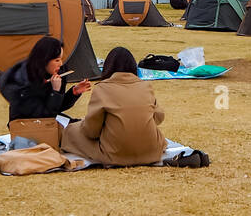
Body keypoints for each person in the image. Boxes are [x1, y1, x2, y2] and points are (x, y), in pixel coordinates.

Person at [61, 47, 205, 167]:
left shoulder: (103, 89)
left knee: (71, 132)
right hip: (151, 150)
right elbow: (159, 117)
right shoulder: (145, 86)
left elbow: (91, 131)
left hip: (115, 153)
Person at [0, 35, 92, 121]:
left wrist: (74, 92)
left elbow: (57, 107)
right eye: (57, 60)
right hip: (25, 124)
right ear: (44, 60)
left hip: (47, 119)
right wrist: (55, 92)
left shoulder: (56, 73)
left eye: (61, 59)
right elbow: (45, 115)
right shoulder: (22, 82)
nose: (60, 64)